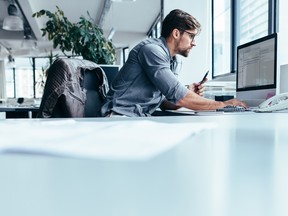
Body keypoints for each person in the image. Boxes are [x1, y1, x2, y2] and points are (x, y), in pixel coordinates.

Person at [100, 9, 247, 117]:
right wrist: (224, 105)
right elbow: (180, 97)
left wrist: (188, 91)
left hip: (138, 117)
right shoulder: (152, 51)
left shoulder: (173, 61)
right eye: (191, 36)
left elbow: (166, 103)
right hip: (119, 116)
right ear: (176, 33)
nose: (194, 43)